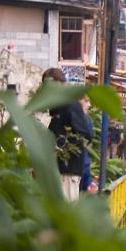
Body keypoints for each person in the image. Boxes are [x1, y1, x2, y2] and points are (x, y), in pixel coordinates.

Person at [43, 68, 91, 201]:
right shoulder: (58, 108)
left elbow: (84, 134)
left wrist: (58, 148)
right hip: (58, 169)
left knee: (66, 213)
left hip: (68, 170)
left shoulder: (70, 105)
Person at [78, 96, 97, 194]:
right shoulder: (78, 120)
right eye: (86, 101)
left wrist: (89, 182)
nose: (89, 105)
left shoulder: (86, 119)